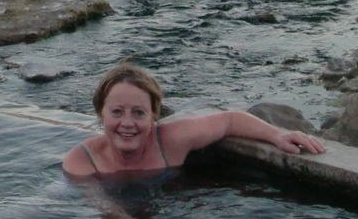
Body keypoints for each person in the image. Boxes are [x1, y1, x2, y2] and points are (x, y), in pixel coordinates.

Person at [63, 62, 325, 178]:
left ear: (154, 116)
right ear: (100, 114)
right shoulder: (83, 160)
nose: (128, 123)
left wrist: (277, 135)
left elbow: (230, 120)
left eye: (139, 112)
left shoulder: (170, 140)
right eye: (117, 112)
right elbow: (103, 209)